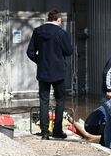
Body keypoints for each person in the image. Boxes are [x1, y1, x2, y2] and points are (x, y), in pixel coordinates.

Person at [26, 11, 75, 140]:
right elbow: (69, 51)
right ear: (58, 20)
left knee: (44, 101)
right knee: (60, 100)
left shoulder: (37, 31)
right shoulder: (60, 33)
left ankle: (45, 133)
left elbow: (30, 52)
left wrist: (40, 61)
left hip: (43, 72)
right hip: (58, 72)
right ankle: (57, 131)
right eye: (61, 21)